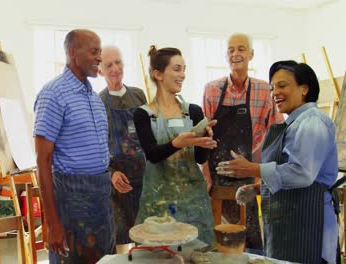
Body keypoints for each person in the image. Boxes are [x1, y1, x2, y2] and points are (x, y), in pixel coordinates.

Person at [216, 60, 339, 263]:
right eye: (272, 88)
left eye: (282, 86)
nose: (275, 93)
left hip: (308, 225)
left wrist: (253, 168)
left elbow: (302, 173)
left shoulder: (311, 122)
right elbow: (287, 171)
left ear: (304, 88)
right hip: (288, 223)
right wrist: (257, 188)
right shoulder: (292, 123)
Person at [33, 29, 114, 264]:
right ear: (72, 53)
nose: (100, 57)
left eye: (100, 51)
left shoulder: (94, 99)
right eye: (93, 51)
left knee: (105, 260)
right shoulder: (53, 94)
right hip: (71, 201)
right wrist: (53, 223)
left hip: (101, 199)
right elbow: (42, 161)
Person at [202, 32, 284, 253]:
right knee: (217, 243)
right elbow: (204, 137)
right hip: (217, 174)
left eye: (241, 49)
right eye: (231, 50)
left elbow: (277, 133)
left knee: (250, 240)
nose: (235, 54)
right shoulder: (212, 89)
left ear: (251, 54)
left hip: (248, 174)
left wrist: (262, 171)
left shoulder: (264, 90)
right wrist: (207, 178)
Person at [133, 45, 217, 244]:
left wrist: (206, 141)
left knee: (197, 255)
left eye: (184, 69)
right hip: (159, 204)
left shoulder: (193, 111)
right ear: (158, 74)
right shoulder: (144, 114)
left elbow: (199, 158)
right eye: (177, 69)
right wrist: (177, 143)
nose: (183, 75)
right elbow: (152, 154)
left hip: (193, 201)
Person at [98, 46, 147, 252]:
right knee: (118, 243)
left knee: (146, 240)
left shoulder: (138, 96)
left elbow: (150, 136)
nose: (115, 68)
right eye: (108, 65)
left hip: (144, 179)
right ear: (100, 71)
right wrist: (111, 174)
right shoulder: (98, 102)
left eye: (118, 62)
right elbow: (97, 147)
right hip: (117, 184)